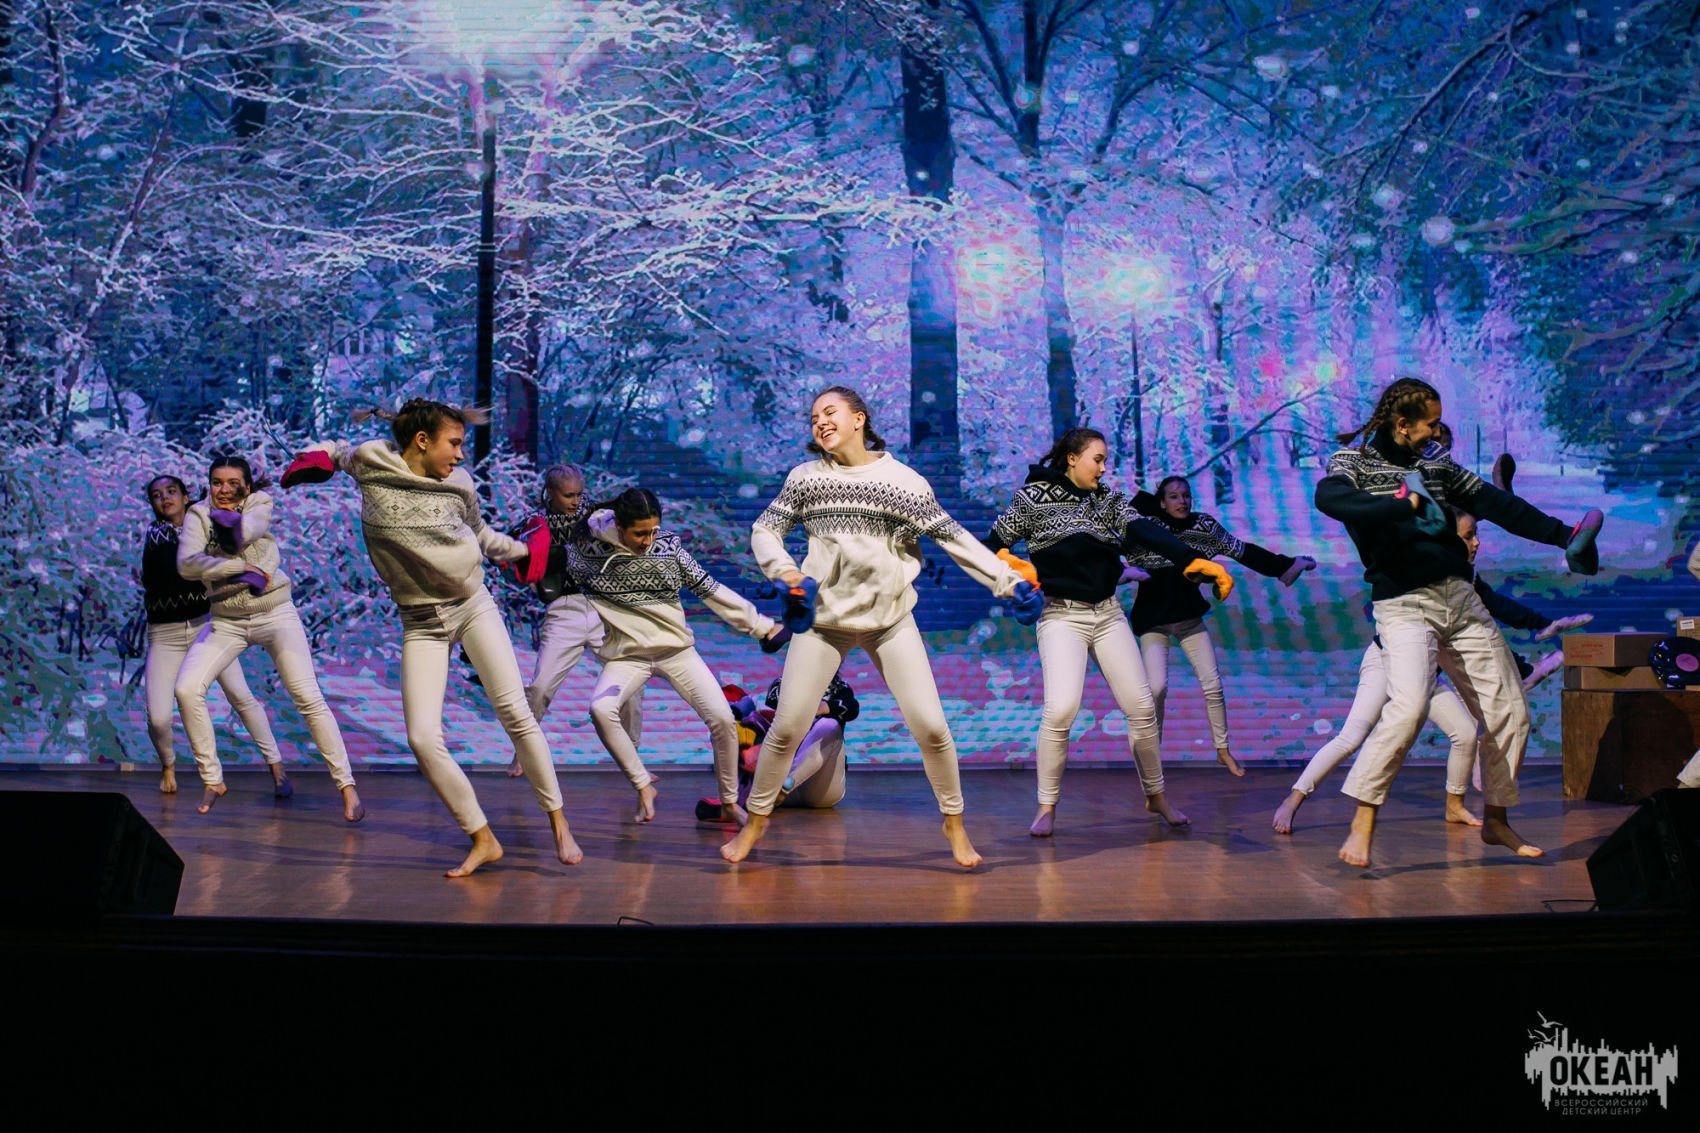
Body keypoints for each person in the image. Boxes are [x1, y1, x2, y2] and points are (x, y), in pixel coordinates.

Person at [721, 386, 1032, 869]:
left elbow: (954, 538)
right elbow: (766, 529)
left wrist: (1008, 582)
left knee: (932, 727)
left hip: (889, 622)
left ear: (859, 418)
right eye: (814, 418)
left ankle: (954, 822)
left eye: (830, 412)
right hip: (824, 622)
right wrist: (786, 573)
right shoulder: (806, 479)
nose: (820, 422)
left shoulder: (904, 483)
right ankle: (756, 822)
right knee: (786, 729)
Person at [282, 400, 580, 876]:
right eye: (454, 444)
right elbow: (336, 450)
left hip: (472, 606)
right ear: (422, 441)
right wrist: (315, 457)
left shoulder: (459, 484)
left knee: (515, 715)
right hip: (420, 621)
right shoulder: (373, 461)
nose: (461, 455)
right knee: (422, 737)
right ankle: (482, 838)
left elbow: (481, 536)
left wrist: (525, 551)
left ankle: (559, 822)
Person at [1314, 376, 1602, 867]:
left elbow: (1495, 503)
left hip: (1461, 600)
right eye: (1430, 423)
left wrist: (1564, 536)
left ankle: (1496, 819)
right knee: (1407, 709)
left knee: (1510, 711)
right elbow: (1330, 498)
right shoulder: (1353, 462)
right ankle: (1363, 820)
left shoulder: (1436, 463)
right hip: (1404, 606)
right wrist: (1397, 503)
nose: (1436, 431)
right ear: (1403, 425)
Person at [1272, 509, 1591, 834]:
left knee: (1464, 733)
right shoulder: (1418, 572)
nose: (1476, 543)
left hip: (1425, 672)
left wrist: (1545, 624)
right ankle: (1293, 799)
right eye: (1468, 536)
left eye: (1475, 535)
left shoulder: (1465, 578)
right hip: (1387, 664)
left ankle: (1455, 806)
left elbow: (1495, 607)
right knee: (1352, 737)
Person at [985, 427, 1236, 835]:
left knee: (1141, 707)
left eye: (1105, 461)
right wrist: (1013, 571)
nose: (1103, 468)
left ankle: (1156, 796)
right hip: (1061, 616)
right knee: (1061, 710)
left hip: (1107, 614)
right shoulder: (1032, 498)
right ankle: (1047, 806)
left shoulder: (1107, 500)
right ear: (1072, 458)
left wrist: (1190, 559)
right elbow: (992, 544)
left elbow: (1148, 532)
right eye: (1097, 459)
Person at [561, 487, 785, 823]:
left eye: (653, 530)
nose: (648, 540)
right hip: (627, 657)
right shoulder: (585, 552)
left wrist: (762, 627)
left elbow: (709, 588)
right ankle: (643, 785)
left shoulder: (667, 548)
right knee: (600, 709)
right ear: (619, 527)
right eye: (640, 533)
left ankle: (728, 801)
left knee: (723, 719)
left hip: (676, 652)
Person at [174, 455, 364, 821]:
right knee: (186, 689)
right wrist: (239, 568)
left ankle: (346, 785)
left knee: (307, 696)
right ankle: (213, 779)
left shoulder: (259, 503)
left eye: (233, 483)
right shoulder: (198, 514)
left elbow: (247, 532)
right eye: (217, 482)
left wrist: (230, 531)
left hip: (274, 613)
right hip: (227, 621)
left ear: (247, 486)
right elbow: (187, 564)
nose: (223, 489)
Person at [1125, 475, 1316, 777]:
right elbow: (1112, 546)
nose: (1182, 501)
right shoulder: (1149, 528)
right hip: (1154, 622)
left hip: (1189, 620)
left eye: (1186, 495)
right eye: (1173, 496)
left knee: (1213, 685)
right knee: (1156, 688)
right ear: (1161, 503)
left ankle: (1222, 750)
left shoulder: (1204, 526)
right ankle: (1151, 753)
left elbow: (1243, 550)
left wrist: (1286, 565)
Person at [139, 473, 289, 798]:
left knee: (241, 696)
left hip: (207, 627)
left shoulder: (206, 526)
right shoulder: (155, 536)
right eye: (157, 495)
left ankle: (276, 766)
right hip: (164, 635)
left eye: (171, 491)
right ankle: (168, 763)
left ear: (185, 496)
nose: (165, 498)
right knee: (159, 718)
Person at [505, 464, 641, 777]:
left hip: (602, 607)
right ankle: (522, 753)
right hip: (564, 610)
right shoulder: (534, 522)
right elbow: (509, 553)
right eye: (568, 495)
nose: (575, 500)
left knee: (630, 683)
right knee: (540, 688)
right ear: (550, 493)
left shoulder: (596, 518)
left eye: (579, 494)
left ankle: (632, 757)